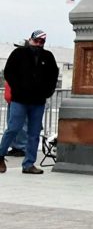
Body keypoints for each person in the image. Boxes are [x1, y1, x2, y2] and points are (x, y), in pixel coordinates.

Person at [1, 30, 59, 174]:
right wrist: (18, 88)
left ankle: (29, 164)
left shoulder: (48, 57)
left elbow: (53, 75)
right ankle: (0, 156)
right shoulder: (18, 54)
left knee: (34, 133)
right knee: (13, 128)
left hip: (38, 101)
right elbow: (9, 72)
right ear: (30, 40)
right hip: (19, 100)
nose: (38, 44)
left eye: (41, 42)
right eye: (36, 41)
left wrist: (47, 92)